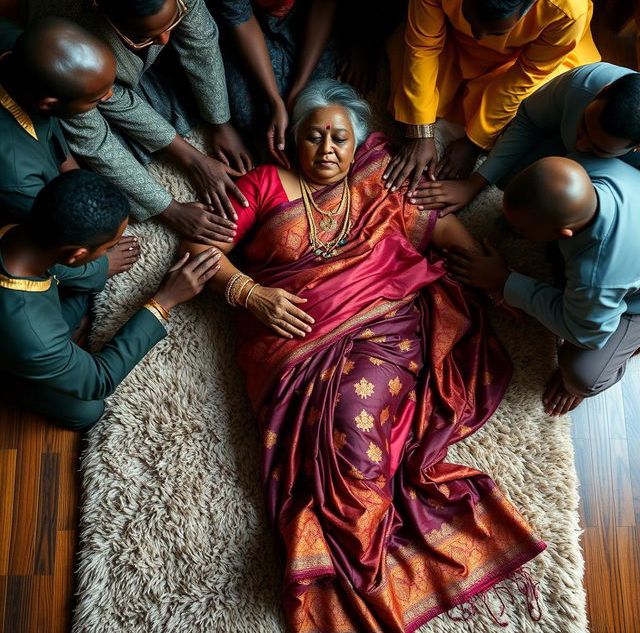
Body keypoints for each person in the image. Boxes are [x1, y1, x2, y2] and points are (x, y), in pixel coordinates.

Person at [182, 80, 545, 631]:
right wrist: (250, 294)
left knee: (355, 424)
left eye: (340, 139)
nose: (327, 150)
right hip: (291, 342)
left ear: (356, 145)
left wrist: (486, 272)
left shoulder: (377, 182)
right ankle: (362, 560)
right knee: (317, 449)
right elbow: (201, 248)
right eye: (314, 137)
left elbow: (438, 225)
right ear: (292, 142)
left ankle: (356, 555)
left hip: (385, 329)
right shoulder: (263, 183)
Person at [0, 170, 221, 430]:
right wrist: (163, 301)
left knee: (88, 286)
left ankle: (58, 355)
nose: (110, 252)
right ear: (76, 254)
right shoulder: (34, 334)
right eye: (106, 248)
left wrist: (99, 267)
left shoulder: (15, 221)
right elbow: (99, 379)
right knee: (87, 410)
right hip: (18, 349)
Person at [27, 0, 253, 245]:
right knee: (107, 166)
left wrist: (220, 123)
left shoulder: (178, 0)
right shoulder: (69, 46)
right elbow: (96, 137)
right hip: (82, 80)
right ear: (98, 6)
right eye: (144, 36)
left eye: (171, 23)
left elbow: (201, 45)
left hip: (112, 77)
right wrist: (171, 208)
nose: (165, 40)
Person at [446, 156, 640, 416]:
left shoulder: (597, 274)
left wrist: (504, 281)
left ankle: (616, 358)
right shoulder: (598, 166)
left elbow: (585, 333)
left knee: (583, 373)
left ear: (564, 233)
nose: (513, 232)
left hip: (631, 303)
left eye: (521, 230)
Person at [384, 0, 600, 192]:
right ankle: (445, 126)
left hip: (522, 61)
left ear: (532, 3)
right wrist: (420, 132)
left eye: (496, 32)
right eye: (470, 18)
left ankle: (456, 128)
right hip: (451, 36)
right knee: (406, 61)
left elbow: (524, 77)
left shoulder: (566, 10)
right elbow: (423, 47)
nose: (479, 36)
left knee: (542, 98)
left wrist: (474, 143)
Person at [412, 62, 640, 214]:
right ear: (603, 90)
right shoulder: (585, 82)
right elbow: (529, 121)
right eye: (583, 126)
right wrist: (474, 183)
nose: (578, 145)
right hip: (555, 139)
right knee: (513, 182)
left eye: (597, 149)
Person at [0, 16, 116, 223]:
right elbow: (47, 229)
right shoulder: (18, 177)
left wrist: (72, 170)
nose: (110, 95)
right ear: (47, 104)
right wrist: (101, 256)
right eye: (97, 98)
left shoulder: (18, 43)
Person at [209, 0, 339, 168]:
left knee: (316, 103)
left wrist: (299, 87)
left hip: (303, 16)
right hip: (247, 23)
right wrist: (275, 100)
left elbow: (324, 1)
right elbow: (240, 19)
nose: (326, 151)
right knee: (251, 116)